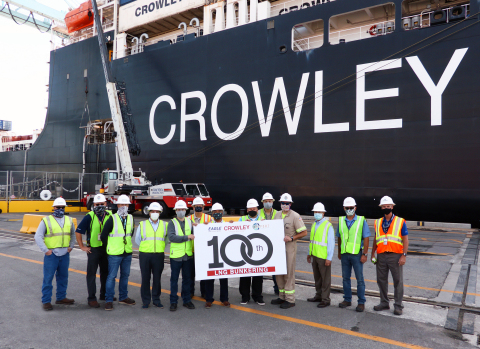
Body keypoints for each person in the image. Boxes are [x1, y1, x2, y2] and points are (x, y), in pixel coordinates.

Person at [34, 197, 75, 311]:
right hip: (51, 255)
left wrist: (71, 246)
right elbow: (38, 236)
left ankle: (61, 297)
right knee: (48, 278)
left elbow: (73, 235)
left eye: (62, 207)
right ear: (53, 207)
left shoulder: (69, 220)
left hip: (65, 254)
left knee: (63, 277)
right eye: (58, 207)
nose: (60, 209)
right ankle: (46, 301)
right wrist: (46, 250)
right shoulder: (46, 220)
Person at [371, 196, 409, 316]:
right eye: (384, 206)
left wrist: (404, 255)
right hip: (381, 255)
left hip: (396, 255)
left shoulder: (400, 221)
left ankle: (398, 306)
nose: (386, 208)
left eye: (388, 206)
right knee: (381, 280)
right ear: (381, 208)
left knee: (398, 281)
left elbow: (405, 239)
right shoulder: (377, 222)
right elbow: (376, 238)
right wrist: (373, 252)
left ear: (392, 207)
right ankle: (384, 303)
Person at [75, 193, 113, 308]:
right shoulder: (89, 216)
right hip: (93, 250)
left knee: (105, 273)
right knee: (91, 274)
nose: (99, 206)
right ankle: (91, 298)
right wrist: (82, 246)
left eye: (102, 204)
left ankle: (103, 294)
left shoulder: (111, 215)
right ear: (94, 205)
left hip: (106, 249)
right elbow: (78, 232)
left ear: (106, 204)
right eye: (97, 204)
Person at [271, 193, 307, 309]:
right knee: (279, 273)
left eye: (287, 203)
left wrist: (291, 238)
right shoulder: (276, 215)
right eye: (283, 203)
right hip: (278, 249)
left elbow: (304, 232)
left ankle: (290, 300)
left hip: (289, 249)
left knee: (288, 274)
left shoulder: (295, 216)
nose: (285, 205)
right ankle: (282, 297)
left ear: (290, 204)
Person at [100, 194, 136, 310]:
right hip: (115, 253)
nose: (124, 206)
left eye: (126, 204)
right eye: (122, 204)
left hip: (127, 252)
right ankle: (109, 300)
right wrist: (109, 248)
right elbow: (104, 235)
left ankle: (123, 297)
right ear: (117, 205)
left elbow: (131, 233)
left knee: (125, 276)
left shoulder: (131, 218)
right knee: (111, 277)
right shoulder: (112, 218)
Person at [336, 197, 370, 312]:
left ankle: (361, 302)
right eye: (347, 208)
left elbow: (366, 238)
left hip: (357, 254)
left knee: (359, 279)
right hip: (345, 254)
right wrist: (339, 252)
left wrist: (365, 253)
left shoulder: (361, 220)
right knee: (345, 278)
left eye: (351, 208)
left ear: (355, 208)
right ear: (344, 208)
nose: (349, 209)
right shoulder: (341, 221)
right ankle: (347, 299)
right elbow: (339, 237)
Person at [135, 202, 167, 309]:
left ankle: (156, 300)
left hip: (158, 255)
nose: (154, 213)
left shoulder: (164, 224)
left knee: (157, 278)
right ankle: (146, 301)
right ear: (149, 213)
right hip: (145, 255)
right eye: (152, 211)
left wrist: (159, 246)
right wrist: (147, 248)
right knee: (145, 278)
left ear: (160, 212)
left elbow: (166, 240)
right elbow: (137, 239)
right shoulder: (142, 224)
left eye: (157, 211)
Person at [168, 200, 195, 311]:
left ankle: (186, 300)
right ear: (176, 210)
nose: (181, 211)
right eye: (179, 209)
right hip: (176, 256)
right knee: (174, 279)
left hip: (187, 255)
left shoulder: (189, 222)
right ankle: (173, 301)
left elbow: (195, 234)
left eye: (183, 209)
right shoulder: (172, 222)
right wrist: (187, 237)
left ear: (185, 210)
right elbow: (172, 237)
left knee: (187, 279)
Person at [238, 198, 265, 305]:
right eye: (250, 209)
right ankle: (245, 296)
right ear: (247, 210)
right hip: (245, 251)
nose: (252, 210)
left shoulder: (263, 220)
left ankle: (257, 296)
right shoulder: (242, 219)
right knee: (245, 275)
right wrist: (243, 224)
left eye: (254, 208)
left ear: (257, 209)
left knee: (258, 276)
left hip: (259, 251)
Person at [307, 202, 334, 308]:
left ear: (323, 213)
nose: (317, 213)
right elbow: (312, 241)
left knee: (325, 279)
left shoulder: (328, 225)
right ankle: (318, 295)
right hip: (315, 256)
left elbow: (331, 243)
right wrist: (309, 254)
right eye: (315, 212)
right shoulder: (314, 224)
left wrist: (329, 258)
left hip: (323, 257)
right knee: (317, 278)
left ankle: (326, 299)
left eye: (319, 212)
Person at [204, 202, 230, 309]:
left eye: (219, 211)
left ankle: (224, 299)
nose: (218, 213)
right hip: (211, 256)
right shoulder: (207, 225)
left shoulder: (227, 225)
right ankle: (209, 299)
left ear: (223, 212)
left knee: (224, 278)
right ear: (212, 213)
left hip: (224, 256)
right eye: (215, 212)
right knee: (209, 278)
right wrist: (199, 227)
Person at [188, 197, 211, 299]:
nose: (198, 207)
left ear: (203, 207)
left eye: (200, 206)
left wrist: (209, 225)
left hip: (203, 251)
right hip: (191, 250)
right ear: (193, 207)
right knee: (191, 273)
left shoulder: (209, 218)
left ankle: (204, 292)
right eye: (196, 206)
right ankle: (190, 292)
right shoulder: (188, 219)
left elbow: (217, 228)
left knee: (203, 273)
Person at [259, 192, 279, 295]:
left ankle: (277, 289)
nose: (268, 203)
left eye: (269, 201)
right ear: (262, 202)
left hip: (274, 245)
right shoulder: (258, 213)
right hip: (261, 245)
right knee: (260, 269)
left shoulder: (278, 213)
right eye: (266, 201)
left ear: (273, 202)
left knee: (275, 270)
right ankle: (258, 291)